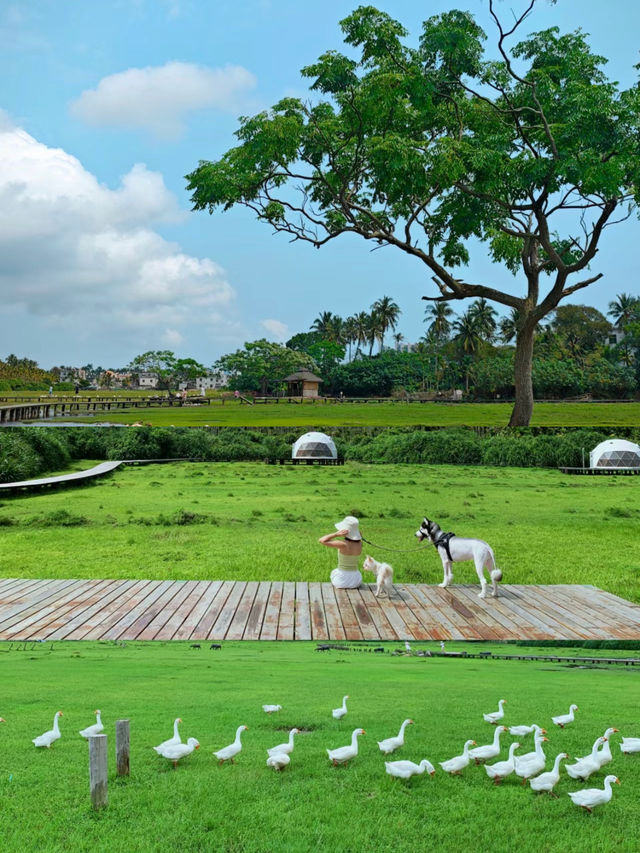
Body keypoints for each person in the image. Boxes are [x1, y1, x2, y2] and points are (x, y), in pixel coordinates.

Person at [319, 516, 363, 589]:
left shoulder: (343, 544)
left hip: (341, 580)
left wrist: (336, 534)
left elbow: (321, 540)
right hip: (356, 580)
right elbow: (359, 537)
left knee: (333, 574)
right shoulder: (360, 544)